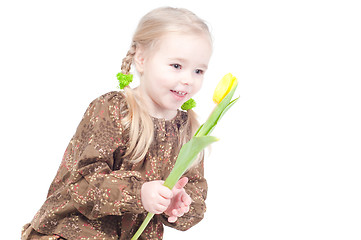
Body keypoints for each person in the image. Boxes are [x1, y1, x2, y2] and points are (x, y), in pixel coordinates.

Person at [21, 6, 213, 240]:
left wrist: (179, 204)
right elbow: (83, 183)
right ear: (142, 60)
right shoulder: (114, 110)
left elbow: (195, 189)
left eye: (198, 71)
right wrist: (139, 193)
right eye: (176, 66)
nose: (188, 79)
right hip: (75, 233)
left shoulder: (186, 129)